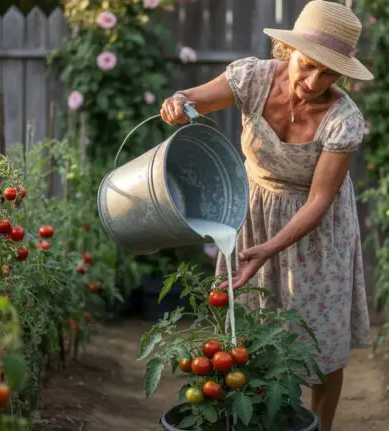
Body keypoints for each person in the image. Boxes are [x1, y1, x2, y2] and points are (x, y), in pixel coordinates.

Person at [159, 1, 372, 429]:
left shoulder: (343, 119)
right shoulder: (252, 78)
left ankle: (320, 427)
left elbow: (319, 200)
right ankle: (250, 419)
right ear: (286, 51)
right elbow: (195, 99)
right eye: (307, 66)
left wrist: (270, 249)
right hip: (252, 209)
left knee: (321, 338)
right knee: (247, 327)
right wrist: (179, 102)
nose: (314, 82)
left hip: (317, 228)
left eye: (328, 73)